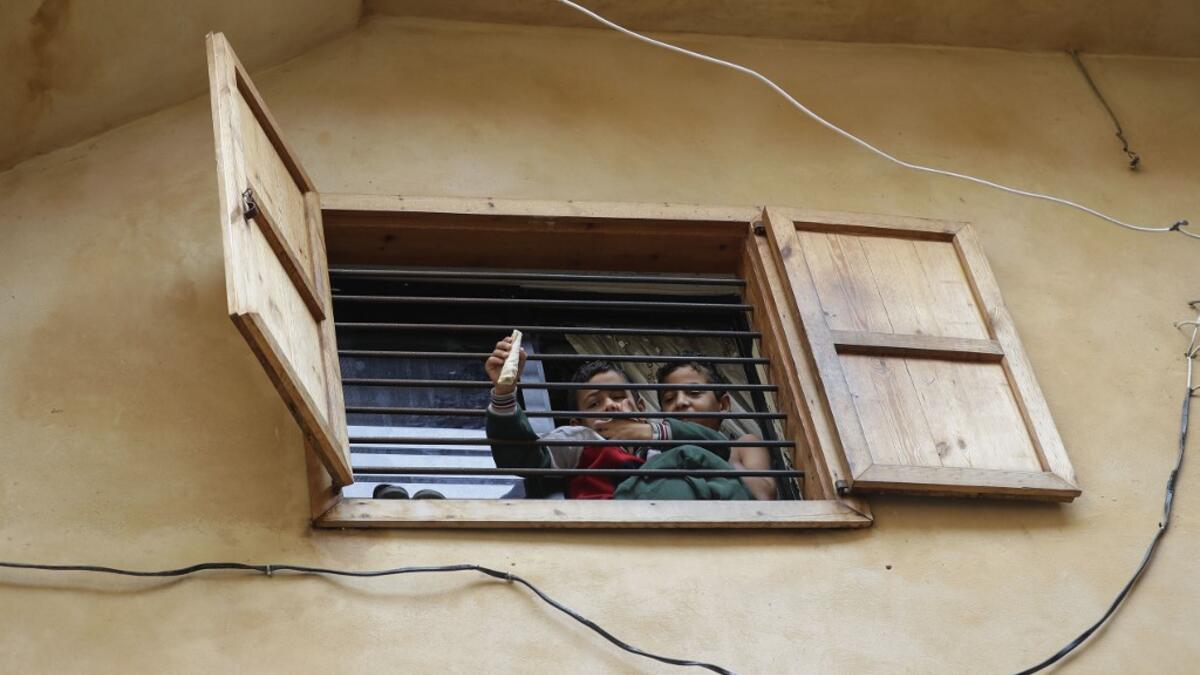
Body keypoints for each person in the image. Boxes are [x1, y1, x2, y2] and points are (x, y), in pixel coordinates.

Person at [484, 335, 754, 500]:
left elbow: (717, 447)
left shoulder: (660, 439)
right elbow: (522, 457)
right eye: (594, 403)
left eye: (617, 396)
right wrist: (504, 391)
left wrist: (651, 433)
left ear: (638, 407)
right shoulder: (580, 439)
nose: (610, 406)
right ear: (578, 422)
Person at [656, 360, 778, 500]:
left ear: (723, 405)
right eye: (669, 398)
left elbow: (764, 495)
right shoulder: (660, 458)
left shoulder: (742, 448)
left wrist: (710, 452)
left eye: (694, 392)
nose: (680, 402)